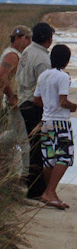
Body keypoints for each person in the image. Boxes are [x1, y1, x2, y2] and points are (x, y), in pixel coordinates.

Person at [33, 44, 77, 210]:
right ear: (66, 60)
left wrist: (49, 105)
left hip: (46, 121)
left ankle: (51, 193)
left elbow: (36, 100)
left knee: (49, 157)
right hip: (60, 122)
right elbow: (63, 101)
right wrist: (73, 107)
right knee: (65, 157)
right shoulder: (63, 76)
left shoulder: (44, 75)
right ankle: (49, 191)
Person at [17, 22, 55, 199]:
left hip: (23, 100)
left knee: (33, 147)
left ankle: (34, 187)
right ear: (48, 39)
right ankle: (36, 190)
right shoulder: (42, 59)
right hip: (34, 106)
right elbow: (44, 88)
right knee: (38, 149)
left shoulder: (27, 51)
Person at [0, 25, 32, 177]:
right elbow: (2, 77)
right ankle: (26, 176)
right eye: (27, 38)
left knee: (14, 135)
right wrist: (12, 98)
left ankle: (7, 163)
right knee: (25, 140)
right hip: (15, 103)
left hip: (16, 102)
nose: (29, 41)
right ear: (18, 38)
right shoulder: (12, 55)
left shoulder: (14, 54)